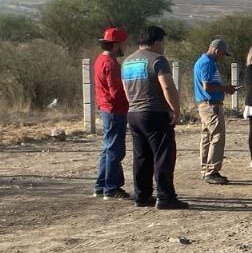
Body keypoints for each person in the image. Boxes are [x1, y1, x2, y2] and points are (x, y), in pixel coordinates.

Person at [122, 25, 187, 210]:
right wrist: (175, 109)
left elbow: (126, 90)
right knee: (163, 156)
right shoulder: (158, 60)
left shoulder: (127, 61)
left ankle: (142, 196)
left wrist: (134, 105)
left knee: (141, 157)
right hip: (155, 113)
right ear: (157, 42)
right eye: (163, 42)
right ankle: (166, 197)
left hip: (134, 113)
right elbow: (167, 86)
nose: (164, 46)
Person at [92, 26, 130, 200]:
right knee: (115, 149)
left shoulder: (99, 60)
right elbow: (116, 92)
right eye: (123, 44)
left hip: (105, 108)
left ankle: (101, 186)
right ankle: (112, 187)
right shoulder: (111, 64)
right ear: (116, 45)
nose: (124, 47)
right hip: (115, 109)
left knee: (107, 148)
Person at [193, 39, 236, 185]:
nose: (222, 57)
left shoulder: (203, 62)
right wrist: (226, 89)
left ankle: (206, 169)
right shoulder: (207, 63)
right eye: (223, 54)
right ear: (217, 50)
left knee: (207, 137)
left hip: (206, 105)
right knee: (217, 136)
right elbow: (207, 86)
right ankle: (212, 171)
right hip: (211, 106)